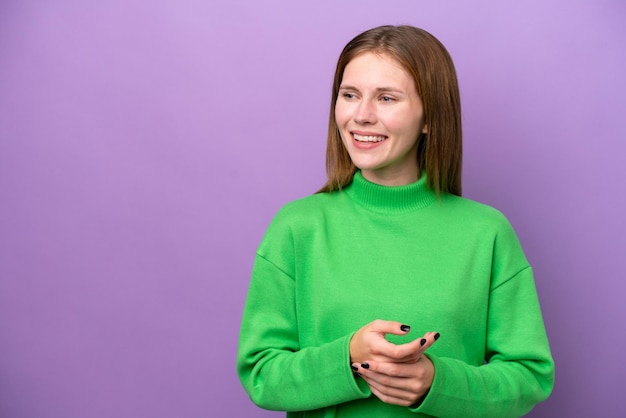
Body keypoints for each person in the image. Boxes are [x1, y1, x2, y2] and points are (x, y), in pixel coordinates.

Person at [237, 25, 554, 417]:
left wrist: (437, 383)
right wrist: (349, 356)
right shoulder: (297, 227)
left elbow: (529, 377)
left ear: (429, 118)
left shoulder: (485, 232)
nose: (362, 115)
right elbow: (260, 374)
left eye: (386, 98)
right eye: (349, 95)